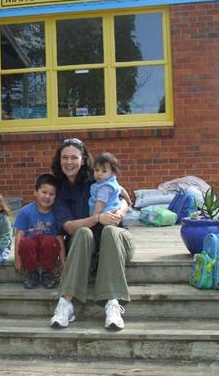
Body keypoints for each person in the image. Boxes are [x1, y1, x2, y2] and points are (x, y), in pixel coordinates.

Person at [49, 138, 133, 331]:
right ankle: (65, 304)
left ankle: (112, 304)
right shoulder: (59, 190)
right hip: (85, 246)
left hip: (117, 242)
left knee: (111, 231)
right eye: (64, 157)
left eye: (74, 157)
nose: (69, 162)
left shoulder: (95, 178)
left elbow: (122, 197)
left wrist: (121, 211)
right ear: (59, 160)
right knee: (83, 231)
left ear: (83, 159)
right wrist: (97, 218)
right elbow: (69, 227)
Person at [14, 174, 66, 290]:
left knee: (50, 241)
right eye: (44, 192)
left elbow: (59, 239)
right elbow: (19, 236)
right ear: (35, 192)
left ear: (56, 196)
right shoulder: (25, 212)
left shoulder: (57, 214)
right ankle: (32, 274)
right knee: (25, 242)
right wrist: (17, 259)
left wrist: (63, 263)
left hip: (48, 251)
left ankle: (47, 273)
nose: (47, 196)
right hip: (30, 251)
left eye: (51, 194)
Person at [87, 152, 132, 255]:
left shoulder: (104, 187)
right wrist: (128, 201)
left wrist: (95, 216)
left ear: (112, 173)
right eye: (96, 170)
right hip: (115, 215)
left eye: (104, 171)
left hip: (105, 216)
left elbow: (101, 202)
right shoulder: (112, 182)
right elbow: (122, 190)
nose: (99, 173)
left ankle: (100, 250)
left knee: (98, 233)